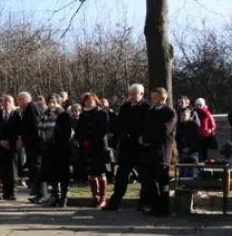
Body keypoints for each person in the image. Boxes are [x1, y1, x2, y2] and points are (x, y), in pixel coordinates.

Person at [104, 84, 151, 212]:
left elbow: (147, 126)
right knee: (121, 176)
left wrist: (140, 136)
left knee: (144, 176)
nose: (132, 97)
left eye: (134, 94)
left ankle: (144, 202)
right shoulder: (125, 107)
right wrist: (120, 135)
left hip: (141, 147)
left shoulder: (147, 108)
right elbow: (119, 124)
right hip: (127, 147)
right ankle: (115, 203)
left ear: (142, 94)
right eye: (130, 94)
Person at [140, 87, 177, 216]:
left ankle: (164, 208)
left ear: (163, 98)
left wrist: (147, 138)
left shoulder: (170, 112)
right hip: (148, 151)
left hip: (161, 151)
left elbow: (164, 130)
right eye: (151, 97)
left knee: (162, 181)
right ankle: (155, 206)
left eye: (154, 97)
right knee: (147, 179)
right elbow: (145, 127)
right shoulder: (150, 111)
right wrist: (142, 138)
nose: (152, 100)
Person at [76, 93, 111, 209]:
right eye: (86, 101)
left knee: (100, 172)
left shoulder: (102, 113)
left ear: (96, 101)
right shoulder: (83, 115)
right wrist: (82, 140)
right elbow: (79, 129)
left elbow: (103, 130)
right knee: (91, 173)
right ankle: (95, 197)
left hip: (99, 146)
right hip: (86, 147)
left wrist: (91, 140)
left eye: (91, 101)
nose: (88, 103)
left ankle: (103, 198)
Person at [37, 94, 72, 207]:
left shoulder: (63, 114)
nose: (51, 105)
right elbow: (41, 129)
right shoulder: (45, 114)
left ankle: (63, 197)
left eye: (54, 102)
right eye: (49, 102)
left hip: (61, 149)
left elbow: (66, 133)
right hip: (48, 148)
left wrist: (55, 139)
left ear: (59, 103)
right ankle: (54, 195)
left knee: (62, 174)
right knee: (51, 174)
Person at [0, 94, 22, 200]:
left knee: (13, 171)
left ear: (13, 103)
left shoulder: (16, 115)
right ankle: (6, 193)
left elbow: (18, 130)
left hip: (12, 147)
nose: (6, 103)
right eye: (4, 101)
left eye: (9, 101)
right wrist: (1, 141)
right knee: (3, 170)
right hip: (1, 146)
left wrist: (10, 141)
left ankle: (14, 193)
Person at [18, 92, 42, 202]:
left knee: (37, 168)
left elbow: (36, 127)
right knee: (34, 169)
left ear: (24, 99)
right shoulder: (28, 109)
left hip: (35, 144)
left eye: (20, 99)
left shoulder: (32, 108)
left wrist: (25, 140)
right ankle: (37, 193)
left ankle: (40, 194)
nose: (19, 102)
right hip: (31, 144)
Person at [176, 107, 201, 177]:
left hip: (193, 152)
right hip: (182, 152)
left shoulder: (194, 126)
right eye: (181, 115)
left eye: (184, 115)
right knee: (183, 170)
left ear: (189, 115)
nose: (182, 117)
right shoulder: (179, 127)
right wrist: (181, 148)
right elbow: (177, 140)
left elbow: (197, 140)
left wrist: (190, 148)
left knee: (193, 169)